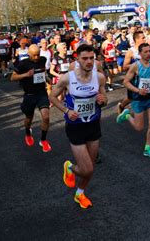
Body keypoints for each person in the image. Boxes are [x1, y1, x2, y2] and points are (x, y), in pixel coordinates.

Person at [50, 44, 107, 208]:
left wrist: (103, 100)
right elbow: (52, 97)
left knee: (91, 166)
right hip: (75, 126)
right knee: (87, 169)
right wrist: (67, 111)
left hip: (94, 124)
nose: (89, 61)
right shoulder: (67, 78)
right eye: (85, 58)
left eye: (92, 58)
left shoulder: (100, 77)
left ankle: (79, 193)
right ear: (77, 59)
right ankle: (69, 167)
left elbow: (104, 98)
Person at [117, 43, 150, 158]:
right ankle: (127, 115)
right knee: (139, 128)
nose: (148, 54)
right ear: (140, 54)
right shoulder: (135, 66)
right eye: (145, 52)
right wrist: (138, 90)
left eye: (149, 51)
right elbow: (126, 82)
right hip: (138, 99)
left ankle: (147, 148)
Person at [10, 44, 51, 152]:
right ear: (29, 54)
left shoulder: (43, 59)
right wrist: (26, 75)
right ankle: (28, 132)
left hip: (41, 93)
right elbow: (13, 77)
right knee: (29, 118)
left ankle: (43, 140)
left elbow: (43, 72)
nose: (36, 57)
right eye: (34, 55)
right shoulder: (23, 64)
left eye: (38, 55)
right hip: (29, 95)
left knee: (46, 117)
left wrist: (46, 78)